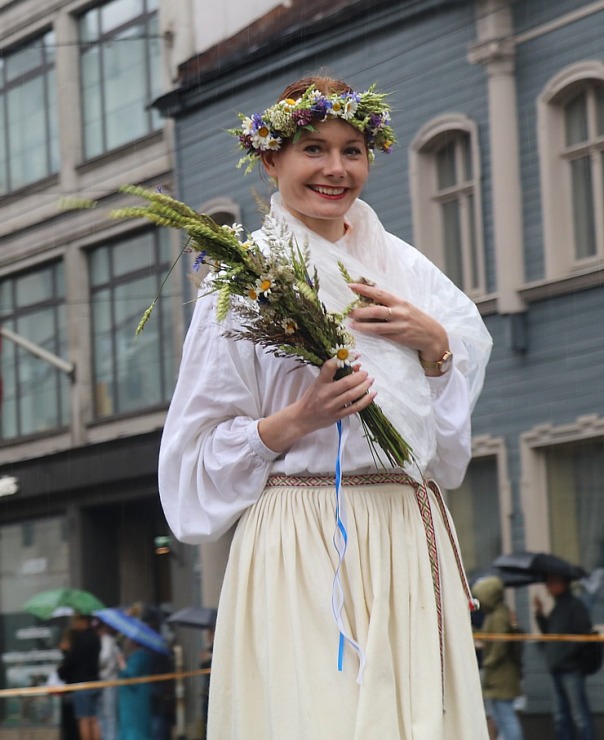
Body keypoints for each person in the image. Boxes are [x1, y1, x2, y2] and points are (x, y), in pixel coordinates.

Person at [159, 74, 493, 739]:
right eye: (314, 148)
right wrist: (298, 420)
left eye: (353, 149)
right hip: (303, 535)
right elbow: (193, 458)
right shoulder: (242, 277)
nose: (336, 168)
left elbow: (445, 452)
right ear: (271, 159)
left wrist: (437, 351)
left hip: (403, 525)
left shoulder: (409, 269)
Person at [533, 574, 596, 740]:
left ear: (563, 584)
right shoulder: (557, 608)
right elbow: (550, 633)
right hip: (557, 668)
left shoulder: (575, 606)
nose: (547, 587)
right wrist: (539, 613)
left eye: (551, 582)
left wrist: (565, 656)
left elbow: (583, 636)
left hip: (571, 669)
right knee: (560, 716)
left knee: (579, 716)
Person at [472, 576, 524, 740]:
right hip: (496, 676)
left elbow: (500, 645)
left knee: (506, 717)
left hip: (502, 676)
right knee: (499, 717)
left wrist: (488, 662)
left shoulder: (500, 616)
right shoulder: (494, 614)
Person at [57, 614, 101, 740]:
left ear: (84, 621)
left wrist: (62, 669)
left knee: (84, 720)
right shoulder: (95, 637)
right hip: (95, 682)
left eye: (76, 621)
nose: (75, 624)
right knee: (94, 719)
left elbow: (72, 661)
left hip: (82, 684)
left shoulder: (81, 640)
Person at [117, 638, 154, 740]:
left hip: (134, 698)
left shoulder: (140, 655)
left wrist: (121, 663)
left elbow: (131, 674)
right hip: (134, 697)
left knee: (134, 726)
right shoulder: (142, 655)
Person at [98, 622, 121, 740]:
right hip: (103, 682)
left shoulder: (107, 640)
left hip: (109, 682)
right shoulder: (105, 640)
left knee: (109, 715)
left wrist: (92, 662)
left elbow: (104, 658)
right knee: (103, 715)